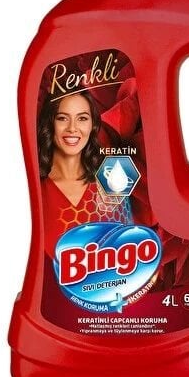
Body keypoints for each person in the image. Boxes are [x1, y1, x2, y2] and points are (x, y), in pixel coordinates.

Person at [37, 91, 132, 255]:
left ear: (92, 125)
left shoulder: (112, 177)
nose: (72, 128)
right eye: (62, 118)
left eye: (82, 118)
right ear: (49, 123)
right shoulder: (35, 187)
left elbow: (129, 238)